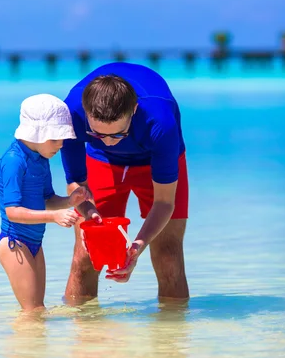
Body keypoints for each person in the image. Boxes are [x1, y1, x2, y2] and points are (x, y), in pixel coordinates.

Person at [61, 62, 189, 302]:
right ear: (86, 113)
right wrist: (89, 213)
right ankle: (82, 336)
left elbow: (164, 202)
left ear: (134, 110)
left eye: (118, 134)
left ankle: (173, 338)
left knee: (168, 254)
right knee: (86, 255)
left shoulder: (160, 124)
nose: (109, 142)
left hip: (154, 156)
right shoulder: (70, 115)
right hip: (102, 162)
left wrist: (136, 248)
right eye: (98, 134)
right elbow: (76, 185)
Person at [0, 94, 90, 311]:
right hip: (14, 242)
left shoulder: (41, 159)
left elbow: (46, 200)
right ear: (36, 133)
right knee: (34, 311)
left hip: (35, 243)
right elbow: (13, 212)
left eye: (63, 139)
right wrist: (54, 217)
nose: (61, 145)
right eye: (55, 139)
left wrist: (68, 201)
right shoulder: (13, 161)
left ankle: (33, 345)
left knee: (38, 310)